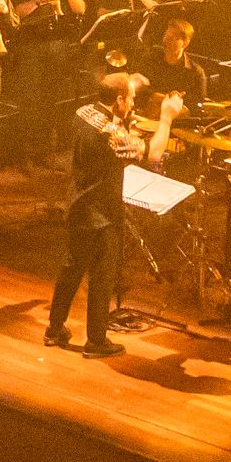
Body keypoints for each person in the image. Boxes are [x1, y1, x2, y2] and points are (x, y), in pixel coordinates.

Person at [48, 71, 144, 356]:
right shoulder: (112, 134)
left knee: (72, 268)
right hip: (102, 213)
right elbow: (145, 152)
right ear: (118, 100)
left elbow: (107, 126)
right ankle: (97, 340)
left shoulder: (82, 113)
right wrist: (166, 118)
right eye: (130, 99)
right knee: (102, 277)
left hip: (78, 204)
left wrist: (123, 116)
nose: (134, 105)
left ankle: (54, 328)